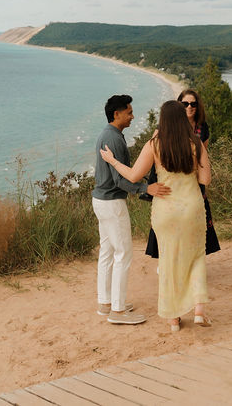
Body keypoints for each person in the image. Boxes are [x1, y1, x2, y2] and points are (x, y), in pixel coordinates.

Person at [100, 100, 211, 332]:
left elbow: (132, 176)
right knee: (196, 257)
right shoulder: (196, 143)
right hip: (191, 207)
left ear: (162, 120)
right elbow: (205, 180)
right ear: (183, 119)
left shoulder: (154, 144)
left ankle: (173, 319)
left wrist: (112, 161)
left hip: (166, 210)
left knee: (169, 261)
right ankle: (199, 310)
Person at [93, 94, 170, 325]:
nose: (132, 116)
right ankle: (117, 311)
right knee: (123, 254)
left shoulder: (108, 135)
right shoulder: (114, 139)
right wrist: (147, 188)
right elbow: (119, 179)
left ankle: (106, 303)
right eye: (129, 112)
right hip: (112, 202)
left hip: (101, 200)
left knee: (107, 253)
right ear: (116, 114)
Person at [144, 89, 220, 257]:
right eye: (185, 104)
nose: (190, 107)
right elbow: (154, 156)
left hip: (192, 182)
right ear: (179, 106)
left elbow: (203, 158)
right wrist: (150, 186)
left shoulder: (202, 128)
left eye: (193, 103)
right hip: (169, 182)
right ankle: (166, 256)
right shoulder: (163, 128)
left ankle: (192, 257)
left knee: (194, 219)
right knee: (169, 220)